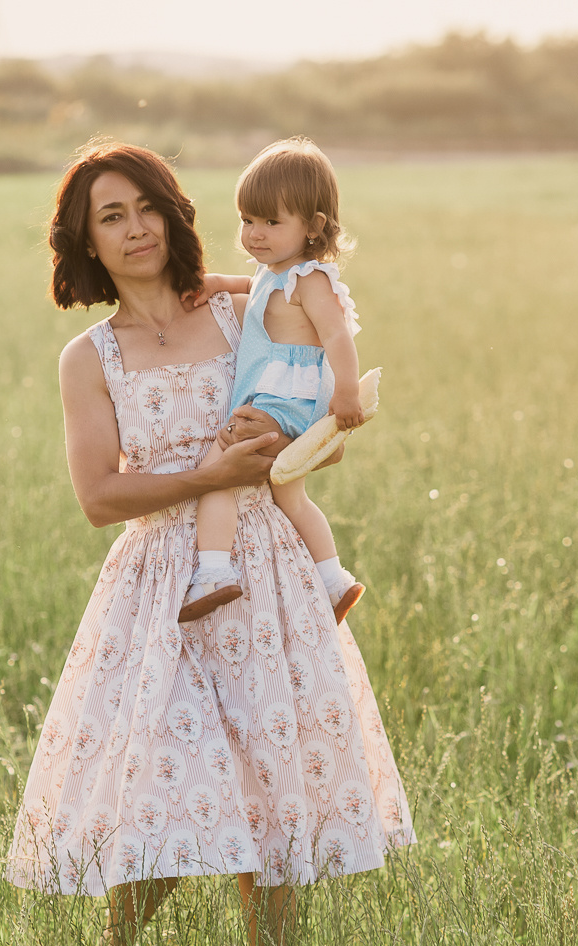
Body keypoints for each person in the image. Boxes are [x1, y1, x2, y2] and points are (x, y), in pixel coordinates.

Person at [4, 140, 414, 946]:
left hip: (264, 570)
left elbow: (311, 385)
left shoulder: (238, 311)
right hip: (165, 587)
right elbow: (99, 496)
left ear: (173, 211)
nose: (134, 228)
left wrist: (305, 447)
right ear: (86, 242)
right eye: (109, 217)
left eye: (145, 206)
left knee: (268, 783)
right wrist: (208, 478)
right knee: (165, 778)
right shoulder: (91, 357)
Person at [179, 138, 366, 625]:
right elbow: (258, 288)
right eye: (247, 220)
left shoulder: (313, 281)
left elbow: (338, 337)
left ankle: (213, 572)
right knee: (291, 496)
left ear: (314, 227)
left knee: (216, 467)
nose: (254, 234)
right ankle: (334, 581)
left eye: (271, 222)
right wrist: (221, 282)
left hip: (288, 399)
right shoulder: (277, 272)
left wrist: (345, 394)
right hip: (284, 398)